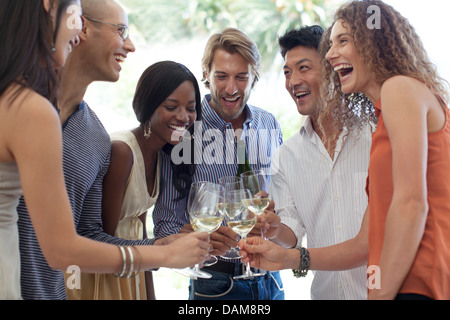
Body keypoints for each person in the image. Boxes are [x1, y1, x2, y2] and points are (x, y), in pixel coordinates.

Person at [240, 0, 450, 300]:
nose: (331, 53)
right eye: (330, 44)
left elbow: (412, 204)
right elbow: (364, 241)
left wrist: (379, 295)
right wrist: (286, 257)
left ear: (373, 43)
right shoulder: (384, 123)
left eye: (343, 40)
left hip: (418, 284)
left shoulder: (398, 90)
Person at [0, 0, 209, 300]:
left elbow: (87, 234)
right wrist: (161, 257)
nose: (131, 45)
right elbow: (62, 247)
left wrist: (156, 248)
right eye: (122, 30)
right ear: (81, 25)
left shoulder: (96, 137)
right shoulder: (25, 104)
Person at [152, 28, 285, 300]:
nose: (231, 88)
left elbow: (285, 201)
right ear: (206, 75)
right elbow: (165, 224)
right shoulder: (183, 131)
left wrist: (274, 215)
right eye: (221, 76)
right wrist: (198, 241)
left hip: (271, 277)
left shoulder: (269, 124)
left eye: (242, 77)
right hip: (215, 285)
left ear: (254, 77)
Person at [261, 26, 372, 300]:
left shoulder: (377, 134)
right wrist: (273, 228)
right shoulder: (286, 156)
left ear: (332, 69)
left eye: (303, 68)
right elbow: (292, 233)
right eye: (287, 72)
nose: (293, 81)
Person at [81, 61, 202, 300]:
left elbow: (140, 234)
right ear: (148, 106)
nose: (184, 117)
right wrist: (164, 247)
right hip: (105, 273)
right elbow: (102, 238)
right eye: (171, 107)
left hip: (132, 269)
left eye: (191, 108)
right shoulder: (122, 152)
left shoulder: (160, 154)